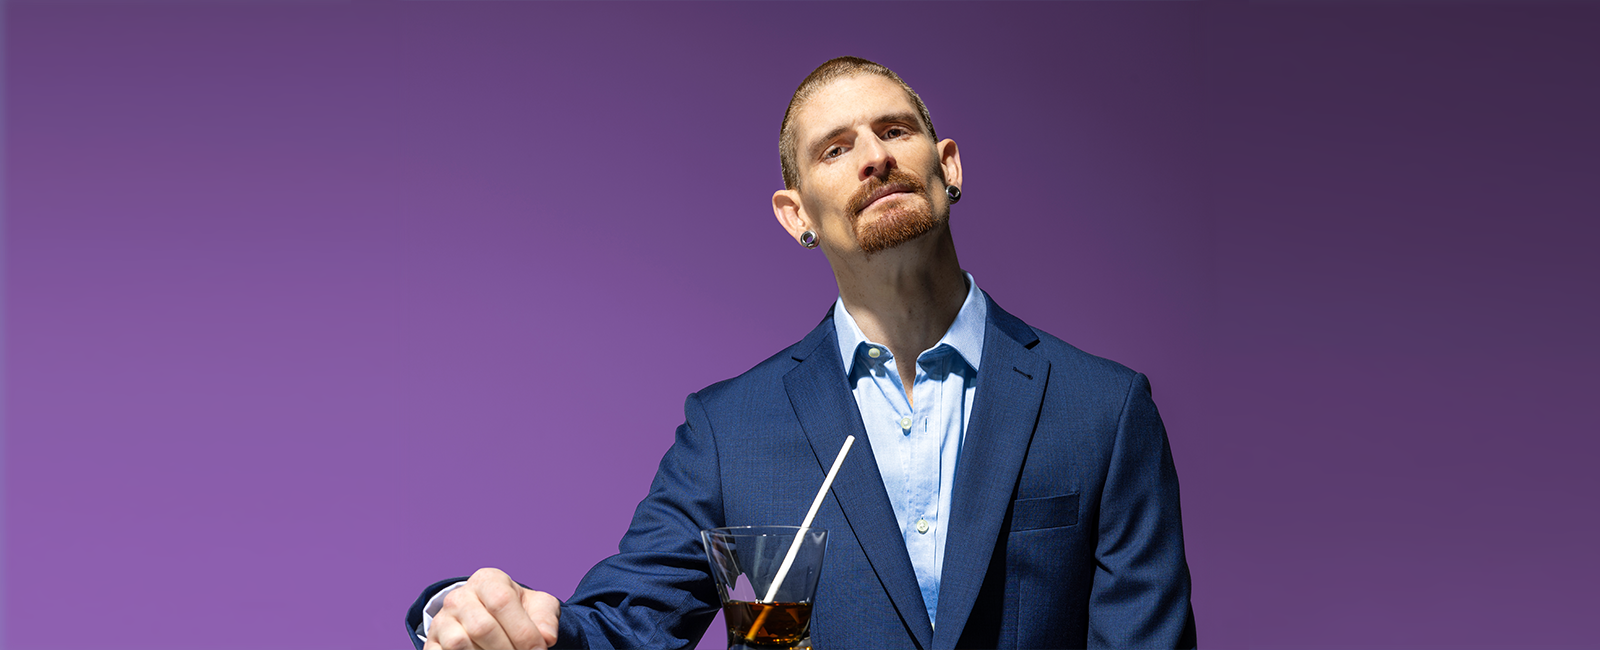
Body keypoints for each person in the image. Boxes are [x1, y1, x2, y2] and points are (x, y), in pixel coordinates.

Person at [408, 56, 1196, 650]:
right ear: (796, 216)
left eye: (894, 131)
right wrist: (477, 617)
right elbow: (624, 627)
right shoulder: (728, 433)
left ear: (947, 166)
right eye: (835, 149)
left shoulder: (1104, 408)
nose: (874, 158)